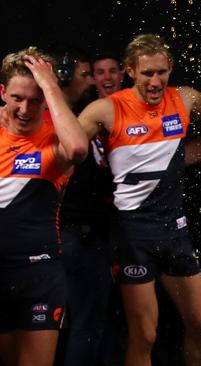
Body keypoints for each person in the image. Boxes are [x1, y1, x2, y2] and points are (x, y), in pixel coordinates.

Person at [77, 33, 201, 366]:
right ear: (130, 71)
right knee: (145, 335)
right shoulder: (107, 108)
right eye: (147, 73)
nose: (155, 81)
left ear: (170, 69)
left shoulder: (184, 99)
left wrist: (198, 150)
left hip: (175, 231)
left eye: (161, 72)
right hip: (133, 234)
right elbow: (67, 146)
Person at [0, 47, 88, 366]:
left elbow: (78, 148)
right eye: (17, 98)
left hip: (39, 274)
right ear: (2, 93)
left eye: (35, 99)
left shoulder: (56, 136)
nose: (25, 109)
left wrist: (49, 84)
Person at [57, 49, 121, 366]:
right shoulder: (68, 123)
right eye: (90, 74)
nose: (97, 80)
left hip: (101, 235)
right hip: (76, 236)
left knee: (97, 321)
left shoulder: (94, 117)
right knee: (84, 322)